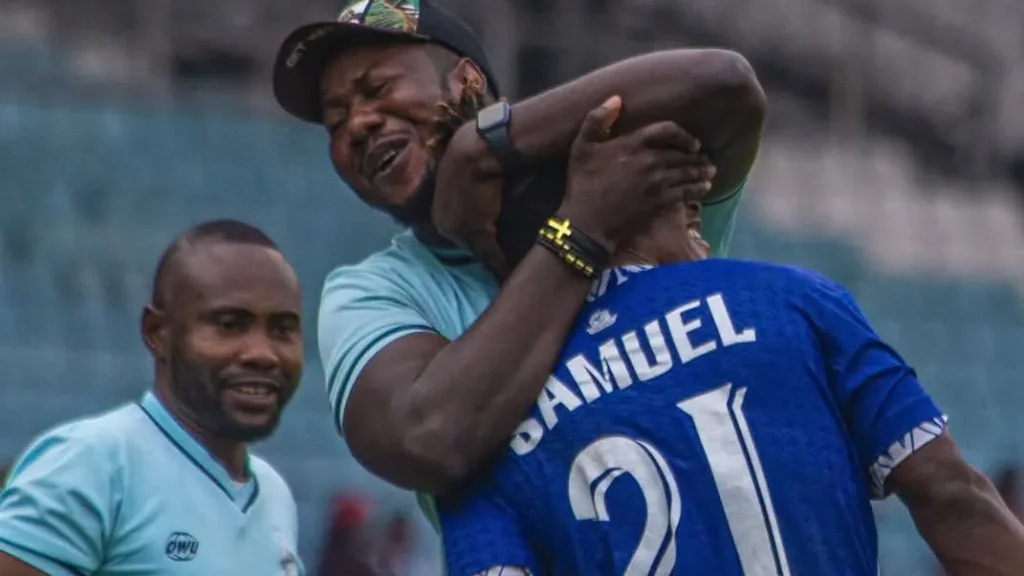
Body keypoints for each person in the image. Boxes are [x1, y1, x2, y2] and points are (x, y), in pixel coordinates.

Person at [271, 0, 765, 517]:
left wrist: (484, 148)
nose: (359, 125)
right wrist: (581, 232)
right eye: (335, 122)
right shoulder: (373, 292)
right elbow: (428, 438)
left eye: (378, 90)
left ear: (466, 81)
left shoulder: (631, 187)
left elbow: (723, 83)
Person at [436, 200, 1024, 575]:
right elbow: (952, 495)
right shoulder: (790, 298)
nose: (705, 222)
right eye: (690, 204)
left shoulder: (478, 436)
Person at [0, 220, 305, 576]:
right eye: (229, 324)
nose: (263, 353)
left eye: (283, 329)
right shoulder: (92, 465)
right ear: (157, 334)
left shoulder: (273, 494)